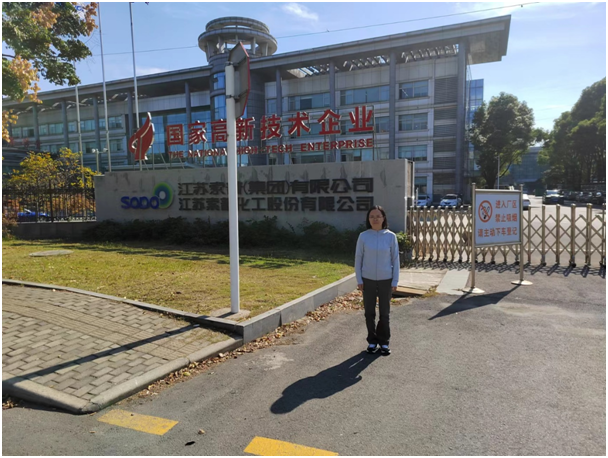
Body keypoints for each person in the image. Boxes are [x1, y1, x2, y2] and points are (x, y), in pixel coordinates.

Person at [355, 205, 400, 355]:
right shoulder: (363, 236)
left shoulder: (390, 236)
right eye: (372, 216)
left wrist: (395, 281)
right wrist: (359, 279)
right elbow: (358, 259)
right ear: (368, 219)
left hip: (386, 279)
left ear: (383, 218)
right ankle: (372, 341)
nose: (375, 219)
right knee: (369, 312)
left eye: (378, 216)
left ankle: (384, 342)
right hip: (367, 279)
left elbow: (395, 259)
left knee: (384, 313)